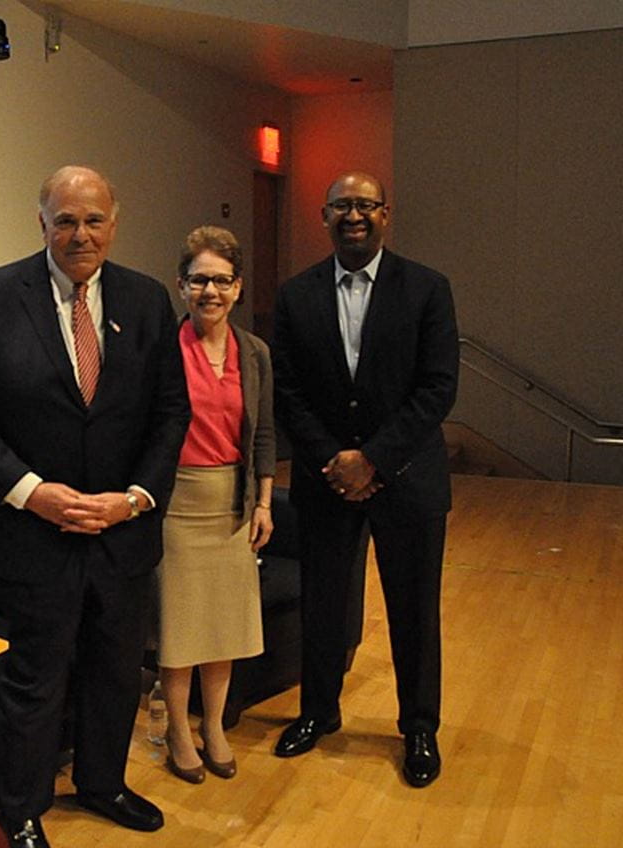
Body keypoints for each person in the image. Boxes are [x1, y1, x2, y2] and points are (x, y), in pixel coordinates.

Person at [0, 165, 191, 848]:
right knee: (36, 676)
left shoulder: (144, 300)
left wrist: (134, 499)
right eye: (66, 220)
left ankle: (104, 782)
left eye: (94, 220)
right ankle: (20, 809)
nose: (81, 234)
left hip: (122, 534)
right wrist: (33, 494)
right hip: (30, 535)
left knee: (115, 669)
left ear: (115, 220)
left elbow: (171, 414)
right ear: (41, 223)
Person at [270, 171, 458, 788]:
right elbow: (289, 392)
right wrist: (335, 460)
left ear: (385, 214)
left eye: (365, 205)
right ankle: (318, 713)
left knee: (414, 610)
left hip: (407, 479)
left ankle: (419, 728)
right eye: (341, 206)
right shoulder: (296, 295)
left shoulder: (428, 289)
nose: (354, 215)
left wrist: (373, 458)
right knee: (324, 603)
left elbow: (437, 389)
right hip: (325, 481)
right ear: (323, 216)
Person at [156, 226, 275, 784]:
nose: (211, 291)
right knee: (182, 629)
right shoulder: (162, 350)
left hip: (233, 501)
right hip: (178, 504)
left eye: (222, 281)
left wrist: (264, 503)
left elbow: (265, 434)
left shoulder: (255, 353)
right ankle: (179, 728)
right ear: (181, 285)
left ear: (239, 287)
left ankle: (216, 727)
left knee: (223, 628)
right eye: (199, 279)